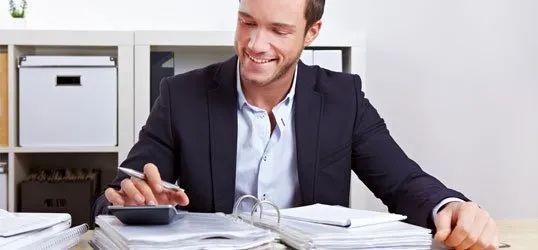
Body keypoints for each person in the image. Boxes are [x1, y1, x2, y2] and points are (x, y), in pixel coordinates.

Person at [93, 0, 498, 249]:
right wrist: (129, 201)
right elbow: (119, 191)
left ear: (311, 33)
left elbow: (403, 182)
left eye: (279, 30)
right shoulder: (181, 96)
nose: (255, 45)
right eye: (247, 22)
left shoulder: (343, 98)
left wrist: (454, 207)